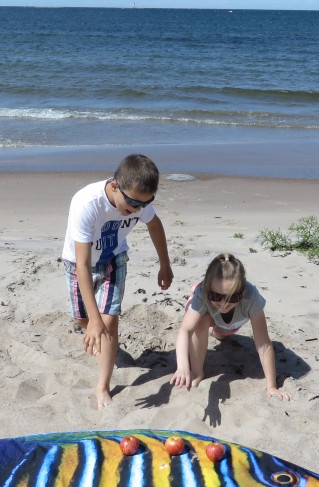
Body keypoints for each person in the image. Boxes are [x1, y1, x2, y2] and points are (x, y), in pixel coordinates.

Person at [62, 154, 174, 409]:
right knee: (85, 320)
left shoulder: (140, 201)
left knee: (108, 322)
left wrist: (165, 264)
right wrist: (93, 321)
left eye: (144, 204)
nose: (136, 210)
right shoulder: (87, 203)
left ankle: (102, 386)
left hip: (114, 260)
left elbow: (155, 226)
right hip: (79, 264)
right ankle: (97, 333)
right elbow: (82, 264)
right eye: (132, 203)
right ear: (115, 186)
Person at [171, 253, 291, 400]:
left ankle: (218, 331)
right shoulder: (203, 294)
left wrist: (271, 386)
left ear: (242, 291)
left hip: (233, 323)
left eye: (232, 297)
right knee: (200, 322)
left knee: (222, 334)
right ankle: (197, 372)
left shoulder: (251, 296)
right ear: (208, 288)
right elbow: (185, 330)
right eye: (216, 296)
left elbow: (263, 343)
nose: (223, 303)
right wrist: (183, 366)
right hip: (208, 314)